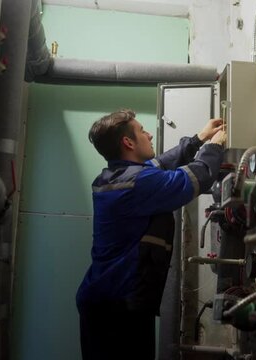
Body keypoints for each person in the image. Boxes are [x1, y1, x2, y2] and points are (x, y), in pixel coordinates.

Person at [76, 109, 225, 359]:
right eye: (142, 131)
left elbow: (160, 163)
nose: (149, 135)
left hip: (108, 302)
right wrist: (215, 147)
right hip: (117, 309)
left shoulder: (114, 176)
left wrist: (199, 138)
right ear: (128, 142)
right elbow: (198, 178)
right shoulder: (137, 184)